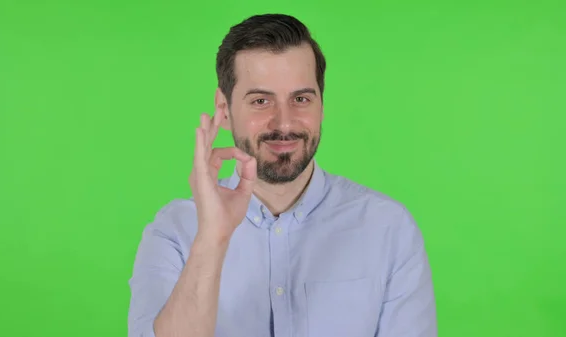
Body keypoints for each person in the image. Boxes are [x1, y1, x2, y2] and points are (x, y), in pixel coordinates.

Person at [128, 13, 437, 337]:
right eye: (261, 101)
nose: (284, 123)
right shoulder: (174, 233)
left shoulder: (389, 228)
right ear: (224, 109)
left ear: (321, 104)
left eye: (301, 99)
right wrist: (212, 237)